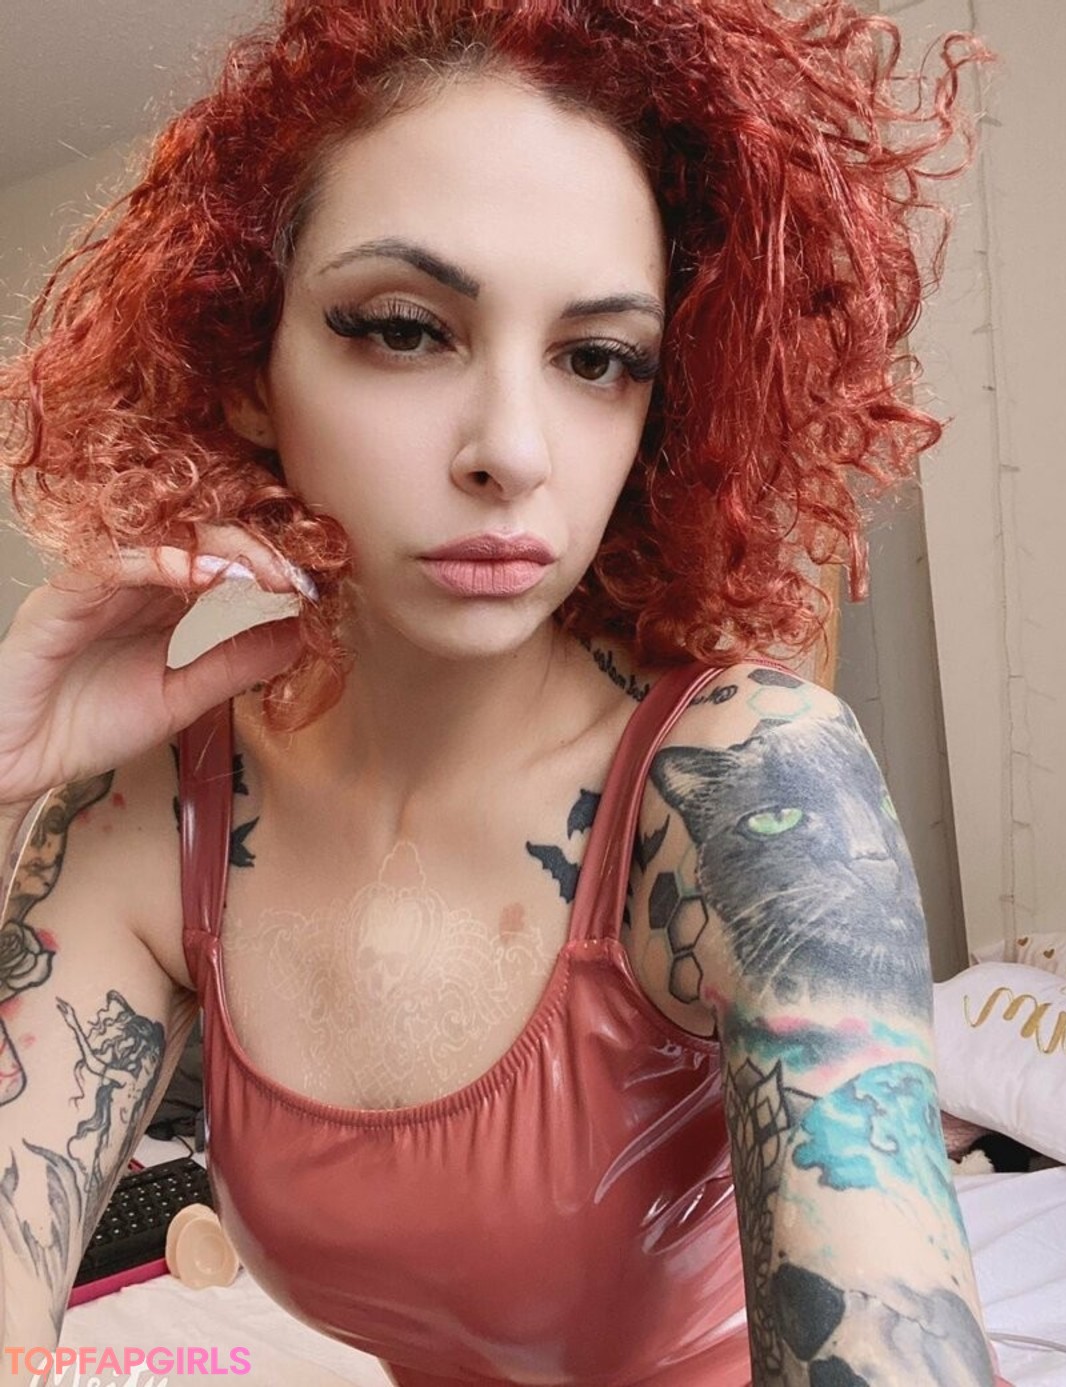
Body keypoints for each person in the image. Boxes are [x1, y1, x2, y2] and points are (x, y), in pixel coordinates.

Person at [0, 1, 1007, 1383]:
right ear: (246, 370)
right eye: (406, 330)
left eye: (598, 359)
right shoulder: (148, 811)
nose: (514, 452)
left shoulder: (745, 788)